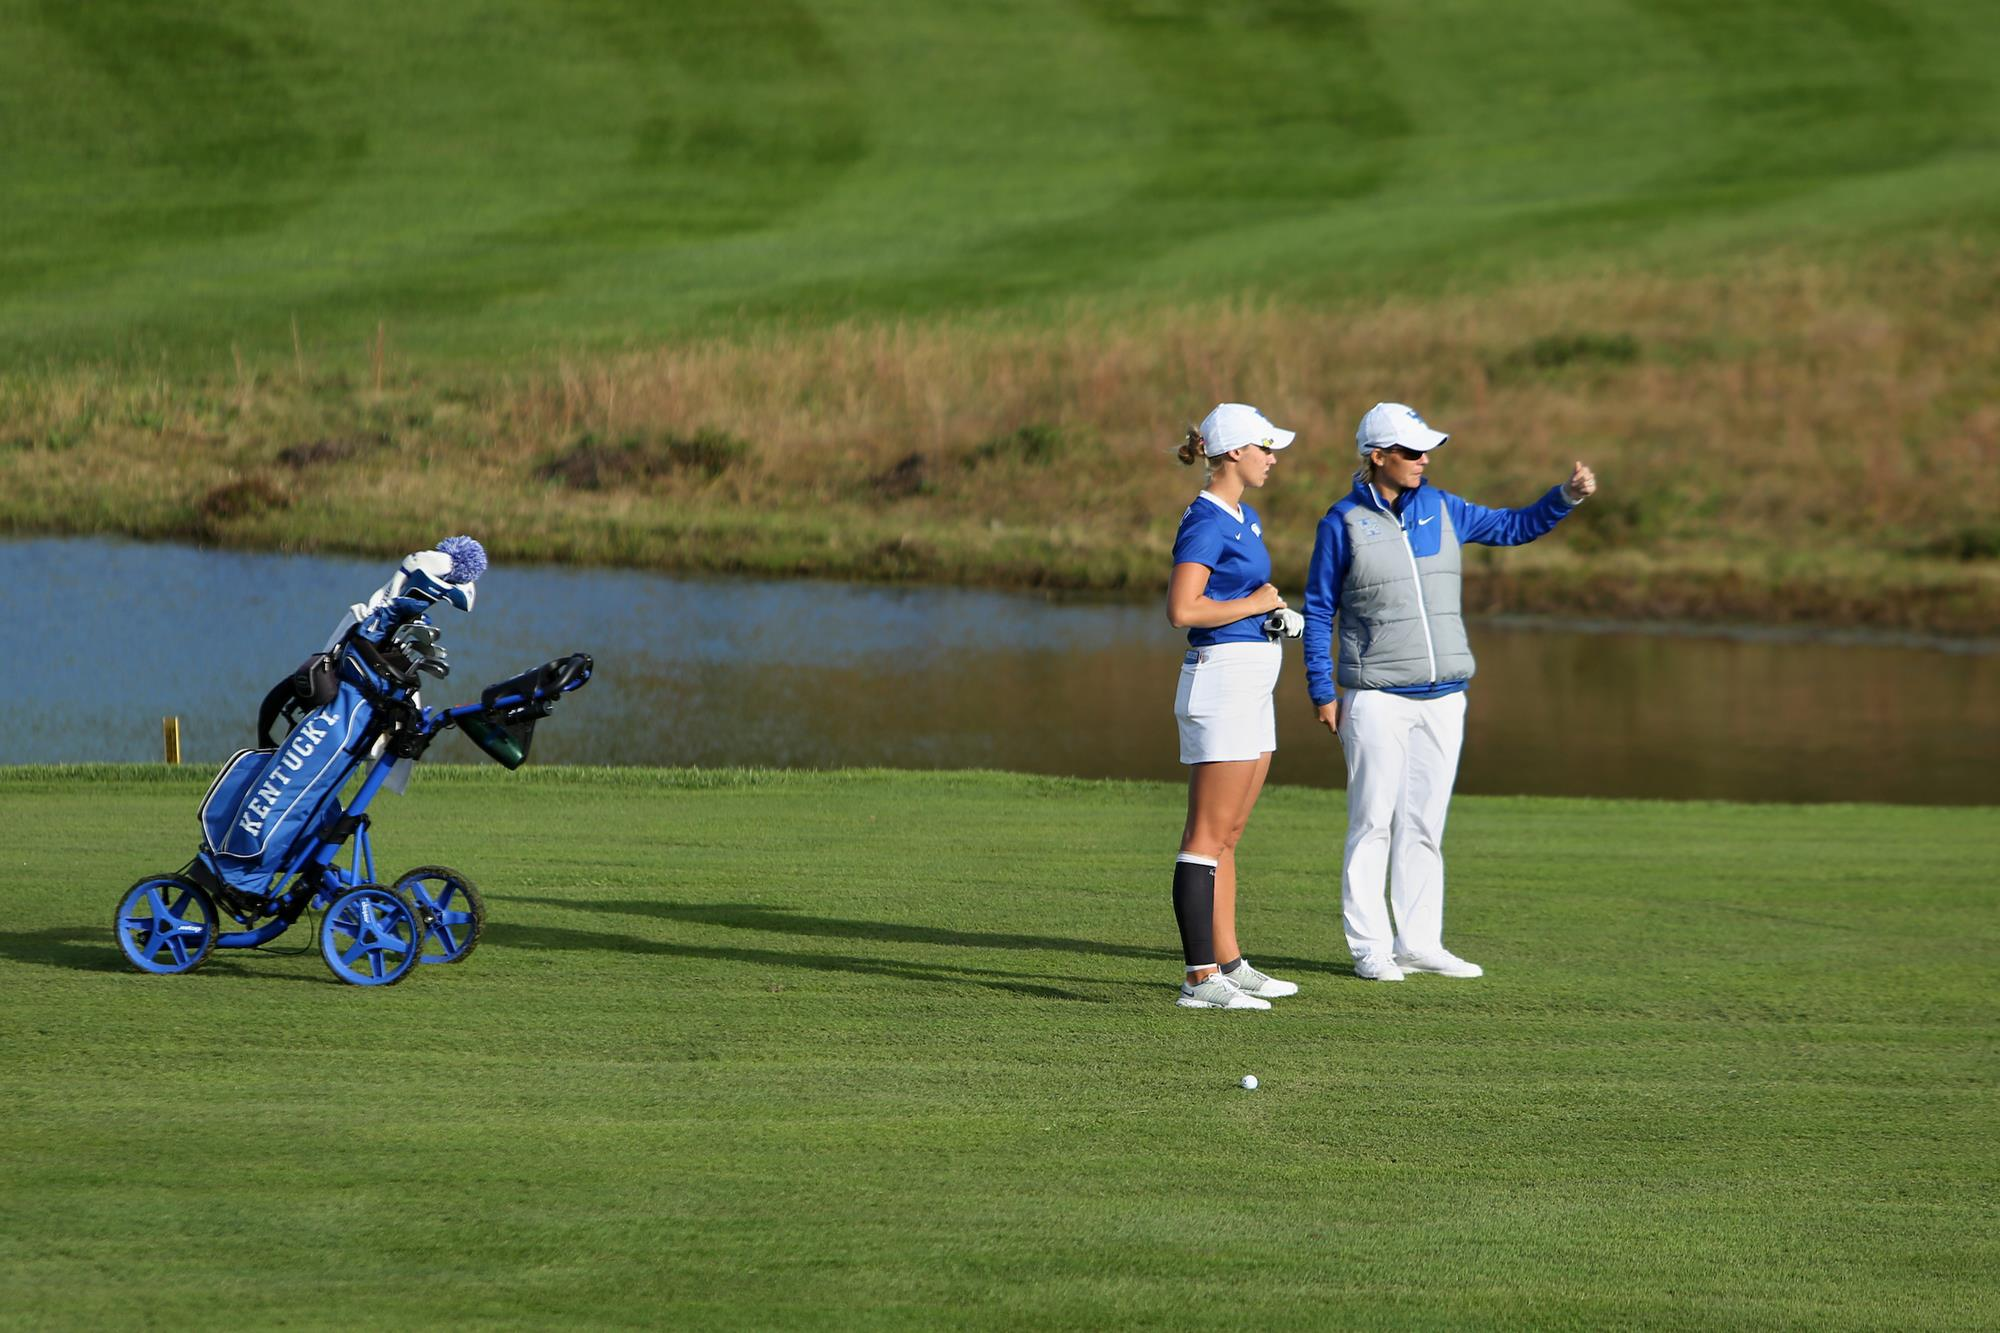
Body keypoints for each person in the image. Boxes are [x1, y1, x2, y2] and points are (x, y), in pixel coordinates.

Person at [1302, 403, 1596, 981]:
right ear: (1377, 456)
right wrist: (1322, 690)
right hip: (1375, 694)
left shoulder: (1444, 507)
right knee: (1372, 822)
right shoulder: (1341, 523)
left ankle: (1419, 943)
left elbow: (1514, 527)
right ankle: (1370, 948)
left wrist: (1565, 496)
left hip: (1445, 695)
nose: (1424, 459)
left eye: (1426, 449)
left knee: (1424, 823)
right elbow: (1317, 610)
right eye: (1411, 451)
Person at [1166, 403, 1307, 1010]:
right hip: (1219, 683)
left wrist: (1270, 615)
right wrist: (1254, 606)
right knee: (1204, 836)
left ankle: (1229, 961)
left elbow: (1238, 596)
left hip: (1251, 682)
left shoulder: (1243, 517)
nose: (1272, 458)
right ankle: (1200, 979)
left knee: (1231, 833)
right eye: (1264, 448)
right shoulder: (1204, 521)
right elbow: (1185, 611)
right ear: (1232, 454)